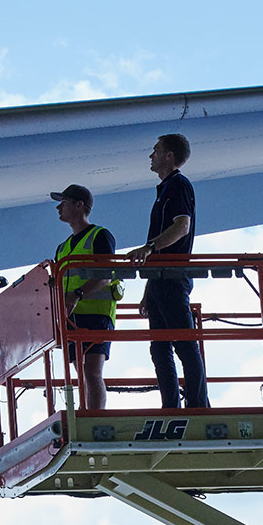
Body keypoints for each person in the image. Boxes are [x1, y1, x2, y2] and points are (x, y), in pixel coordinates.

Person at [128, 134, 209, 408]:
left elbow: (181, 226)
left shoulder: (178, 186)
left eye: (156, 150)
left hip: (172, 276)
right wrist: (148, 290)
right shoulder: (165, 189)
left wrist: (149, 247)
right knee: (160, 347)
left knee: (183, 343)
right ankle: (171, 404)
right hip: (160, 279)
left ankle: (198, 404)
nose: (151, 155)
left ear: (169, 156)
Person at [51, 184, 117, 411]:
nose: (59, 207)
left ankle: (95, 418)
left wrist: (77, 295)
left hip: (96, 314)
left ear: (79, 205)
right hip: (73, 317)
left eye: (64, 202)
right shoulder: (62, 248)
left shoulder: (100, 236)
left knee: (91, 371)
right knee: (81, 371)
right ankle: (86, 413)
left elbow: (106, 274)